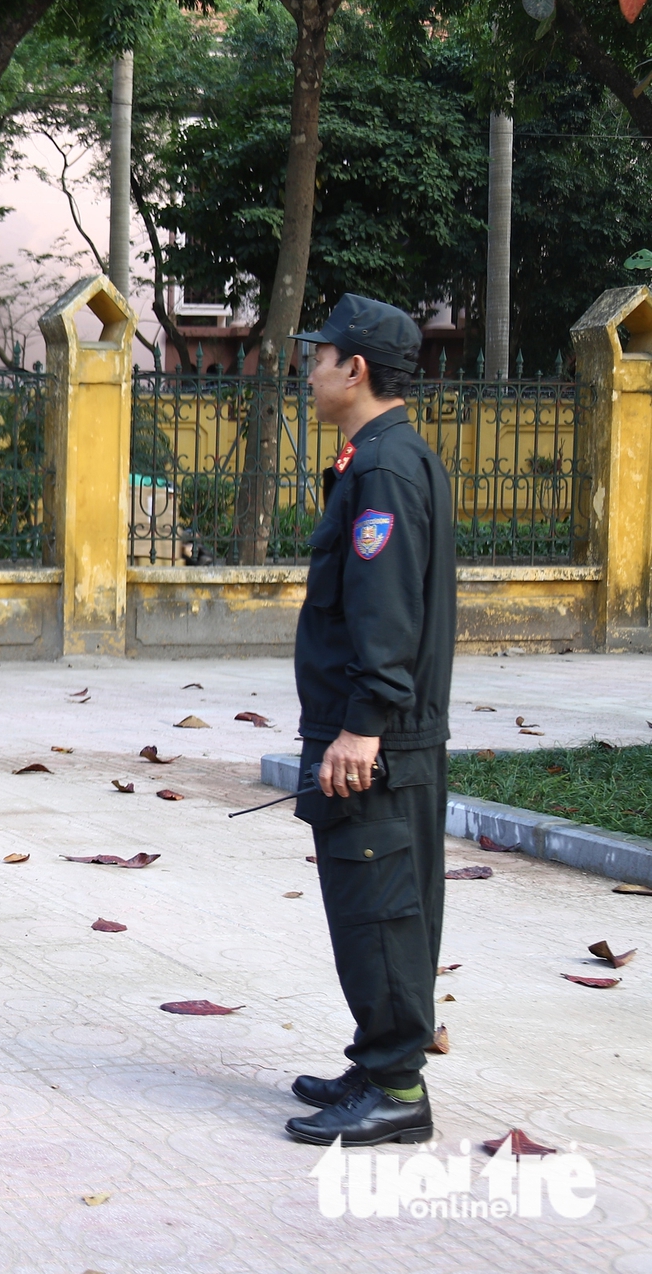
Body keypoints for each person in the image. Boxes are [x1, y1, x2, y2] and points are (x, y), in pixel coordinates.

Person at [282, 294, 455, 1147]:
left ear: (354, 370)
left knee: (379, 904)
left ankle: (396, 1087)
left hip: (376, 735)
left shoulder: (383, 468)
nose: (309, 371)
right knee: (377, 903)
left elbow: (385, 612)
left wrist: (362, 728)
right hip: (381, 725)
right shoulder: (380, 457)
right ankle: (378, 1056)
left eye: (320, 358)